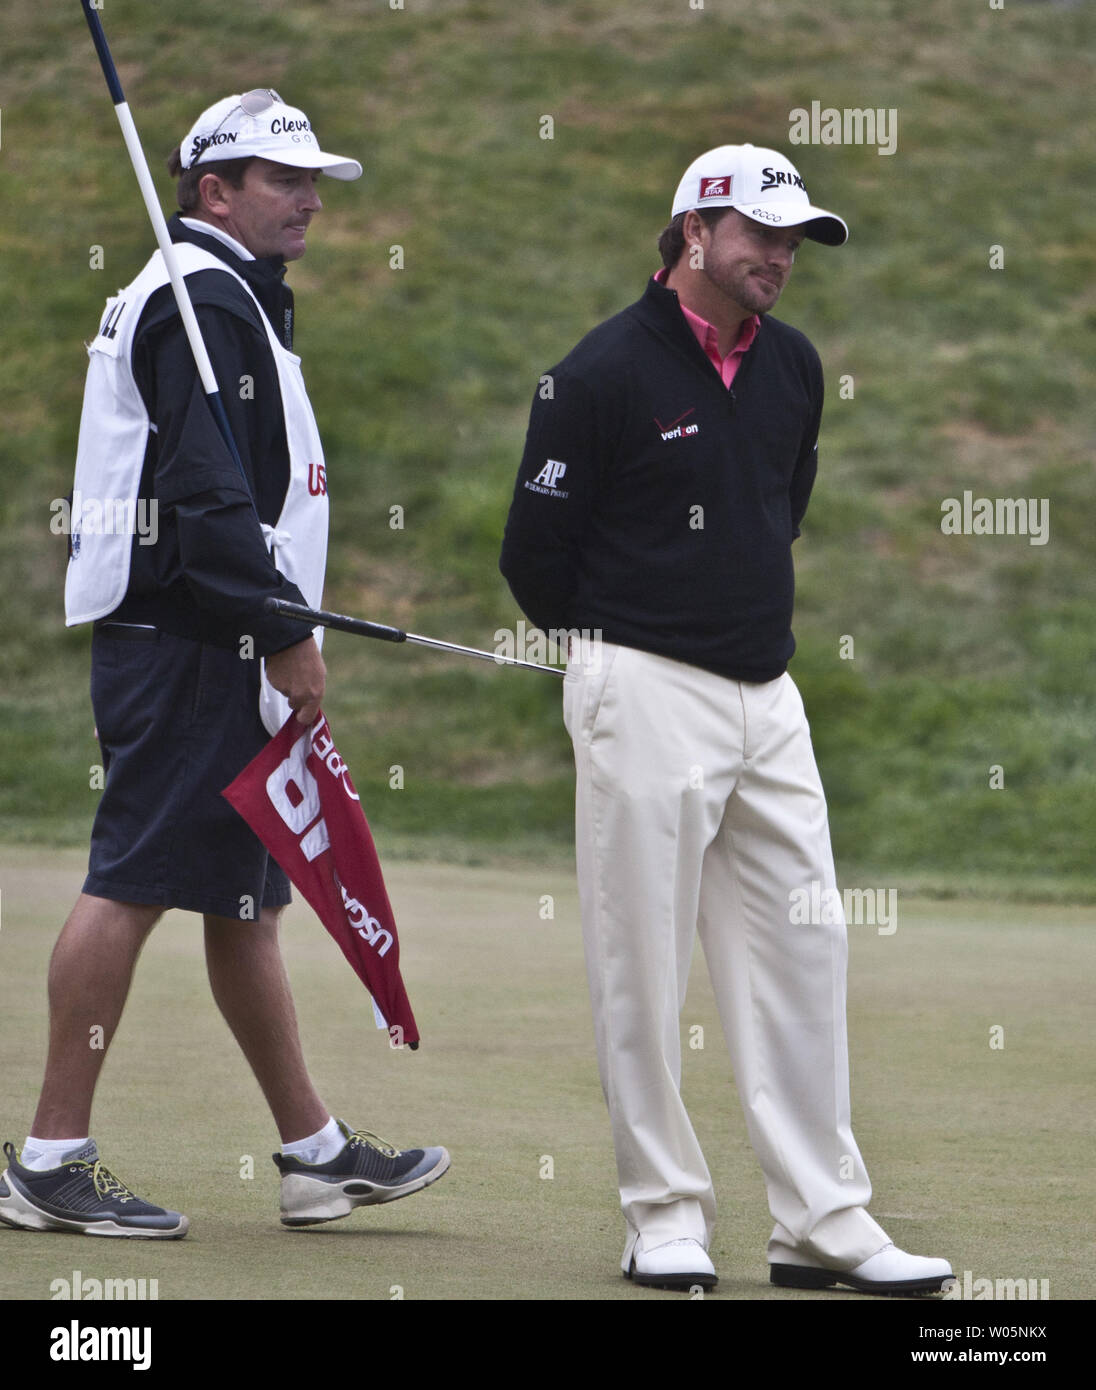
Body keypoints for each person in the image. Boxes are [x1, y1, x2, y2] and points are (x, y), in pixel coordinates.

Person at [500, 144, 951, 1295]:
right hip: (640, 685)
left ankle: (820, 1221)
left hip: (769, 696)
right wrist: (616, 650)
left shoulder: (793, 366)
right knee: (640, 962)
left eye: (795, 239)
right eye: (760, 235)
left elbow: (776, 508)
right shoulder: (596, 371)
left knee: (806, 951)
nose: (780, 257)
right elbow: (533, 557)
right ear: (692, 232)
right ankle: (662, 1214)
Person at [0, 91, 448, 1239]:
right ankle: (49, 1158)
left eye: (312, 182)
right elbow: (205, 497)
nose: (307, 200)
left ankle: (313, 1153)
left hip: (211, 639)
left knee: (246, 902)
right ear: (212, 191)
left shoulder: (220, 296)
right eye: (280, 180)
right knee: (134, 880)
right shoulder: (200, 300)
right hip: (193, 644)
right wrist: (285, 629)